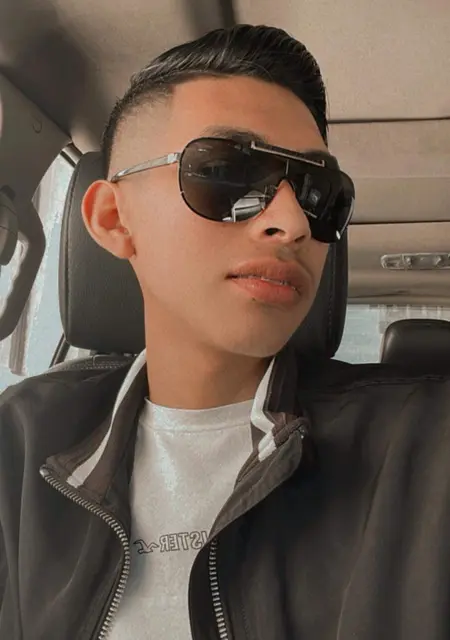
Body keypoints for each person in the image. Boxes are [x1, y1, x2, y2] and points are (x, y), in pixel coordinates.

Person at [1, 24, 450, 640]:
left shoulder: (421, 449)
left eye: (320, 194)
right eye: (225, 172)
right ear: (113, 218)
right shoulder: (22, 442)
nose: (293, 222)